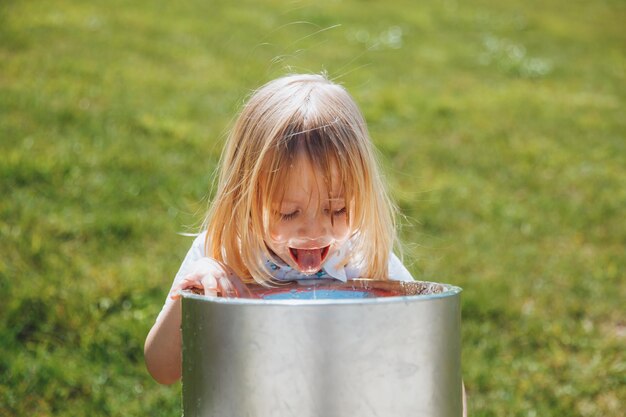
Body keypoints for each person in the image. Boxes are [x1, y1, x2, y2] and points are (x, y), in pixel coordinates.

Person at [145, 73, 410, 382]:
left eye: (337, 209)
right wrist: (188, 298)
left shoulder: (362, 262)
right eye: (288, 213)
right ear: (245, 198)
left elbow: (428, 354)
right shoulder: (222, 257)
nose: (314, 230)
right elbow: (162, 370)